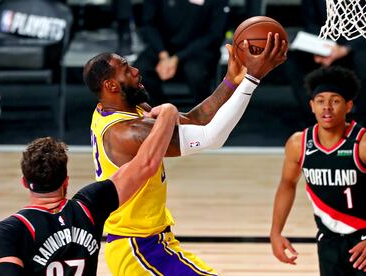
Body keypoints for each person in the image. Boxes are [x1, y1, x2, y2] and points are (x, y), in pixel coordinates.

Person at [83, 32, 287, 274]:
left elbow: (194, 120)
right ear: (111, 85)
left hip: (153, 241)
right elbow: (212, 137)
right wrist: (252, 79)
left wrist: (232, 81)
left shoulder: (126, 108)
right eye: (126, 69)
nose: (136, 71)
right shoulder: (128, 132)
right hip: (138, 249)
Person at [0, 103, 179, 275]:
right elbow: (145, 164)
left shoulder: (6, 232)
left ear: (24, 182)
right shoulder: (90, 206)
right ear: (66, 181)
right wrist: (168, 113)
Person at [270, 66, 366, 275]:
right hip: (328, 242)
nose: (327, 107)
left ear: (348, 106)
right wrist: (275, 232)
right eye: (320, 101)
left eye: (335, 101)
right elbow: (287, 183)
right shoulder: (298, 144)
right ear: (312, 106)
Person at [285, 0, 366, 128]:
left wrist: (345, 49)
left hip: (364, 44)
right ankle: (315, 120)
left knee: (364, 59)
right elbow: (311, 24)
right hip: (330, 45)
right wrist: (321, 49)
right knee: (294, 58)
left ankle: (365, 122)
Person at [133, 0, 230, 104]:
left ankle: (204, 114)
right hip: (162, 46)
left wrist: (177, 58)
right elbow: (150, 24)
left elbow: (214, 34)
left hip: (198, 49)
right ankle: (161, 111)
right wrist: (163, 55)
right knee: (140, 69)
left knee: (195, 71)